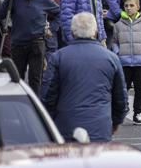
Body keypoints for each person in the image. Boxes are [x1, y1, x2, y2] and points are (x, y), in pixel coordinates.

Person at [42, 12, 127, 142]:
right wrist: (116, 121)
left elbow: (47, 95)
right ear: (95, 31)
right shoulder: (111, 58)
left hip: (66, 127)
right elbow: (120, 98)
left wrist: (49, 121)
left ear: (72, 32)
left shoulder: (58, 57)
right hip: (100, 128)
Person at [0, 0, 60, 95]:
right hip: (18, 43)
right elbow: (0, 15)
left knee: (35, 78)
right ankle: (17, 101)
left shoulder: (44, 0)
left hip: (37, 43)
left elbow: (59, 13)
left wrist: (51, 28)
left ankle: (34, 105)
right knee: (17, 78)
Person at [113, 0, 141, 126]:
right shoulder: (118, 25)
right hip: (124, 63)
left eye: (132, 5)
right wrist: (117, 52)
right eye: (126, 6)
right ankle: (122, 110)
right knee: (123, 88)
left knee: (139, 89)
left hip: (140, 63)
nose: (129, 8)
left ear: (138, 7)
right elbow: (114, 42)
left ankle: (137, 113)